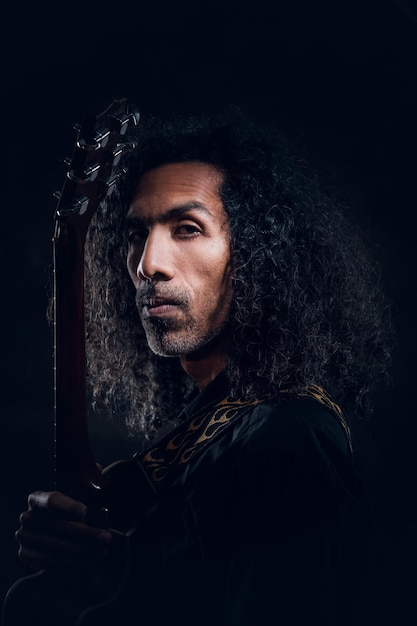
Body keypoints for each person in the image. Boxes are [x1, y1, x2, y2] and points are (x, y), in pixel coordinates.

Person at [5, 107, 392, 626]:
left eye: (186, 229)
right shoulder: (209, 423)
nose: (148, 264)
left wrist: (115, 577)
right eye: (136, 235)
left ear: (256, 254)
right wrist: (81, 543)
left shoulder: (287, 442)